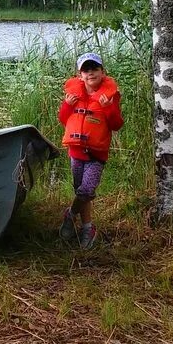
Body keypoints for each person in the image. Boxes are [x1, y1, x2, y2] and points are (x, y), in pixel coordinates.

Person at [58, 52, 124, 248]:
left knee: (86, 191)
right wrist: (67, 105)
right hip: (76, 153)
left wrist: (108, 108)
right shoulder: (73, 96)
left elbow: (116, 124)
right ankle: (87, 227)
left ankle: (70, 215)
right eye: (86, 70)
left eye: (94, 68)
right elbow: (63, 119)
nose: (90, 73)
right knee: (80, 191)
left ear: (103, 72)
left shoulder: (109, 97)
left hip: (96, 155)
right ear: (80, 75)